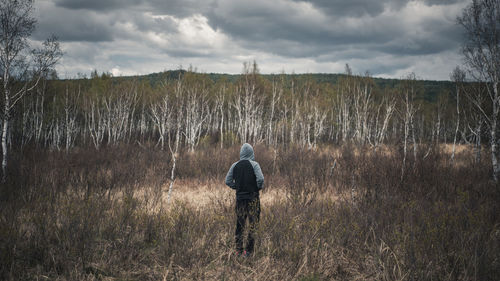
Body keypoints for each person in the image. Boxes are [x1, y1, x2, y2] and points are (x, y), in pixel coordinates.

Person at [225, 143, 264, 257]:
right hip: (253, 199)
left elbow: (227, 181)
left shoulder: (235, 165)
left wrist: (237, 187)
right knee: (253, 225)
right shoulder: (255, 165)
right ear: (252, 153)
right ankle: (248, 252)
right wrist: (257, 188)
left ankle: (238, 251)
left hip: (240, 199)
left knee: (240, 225)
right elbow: (260, 179)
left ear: (241, 153)